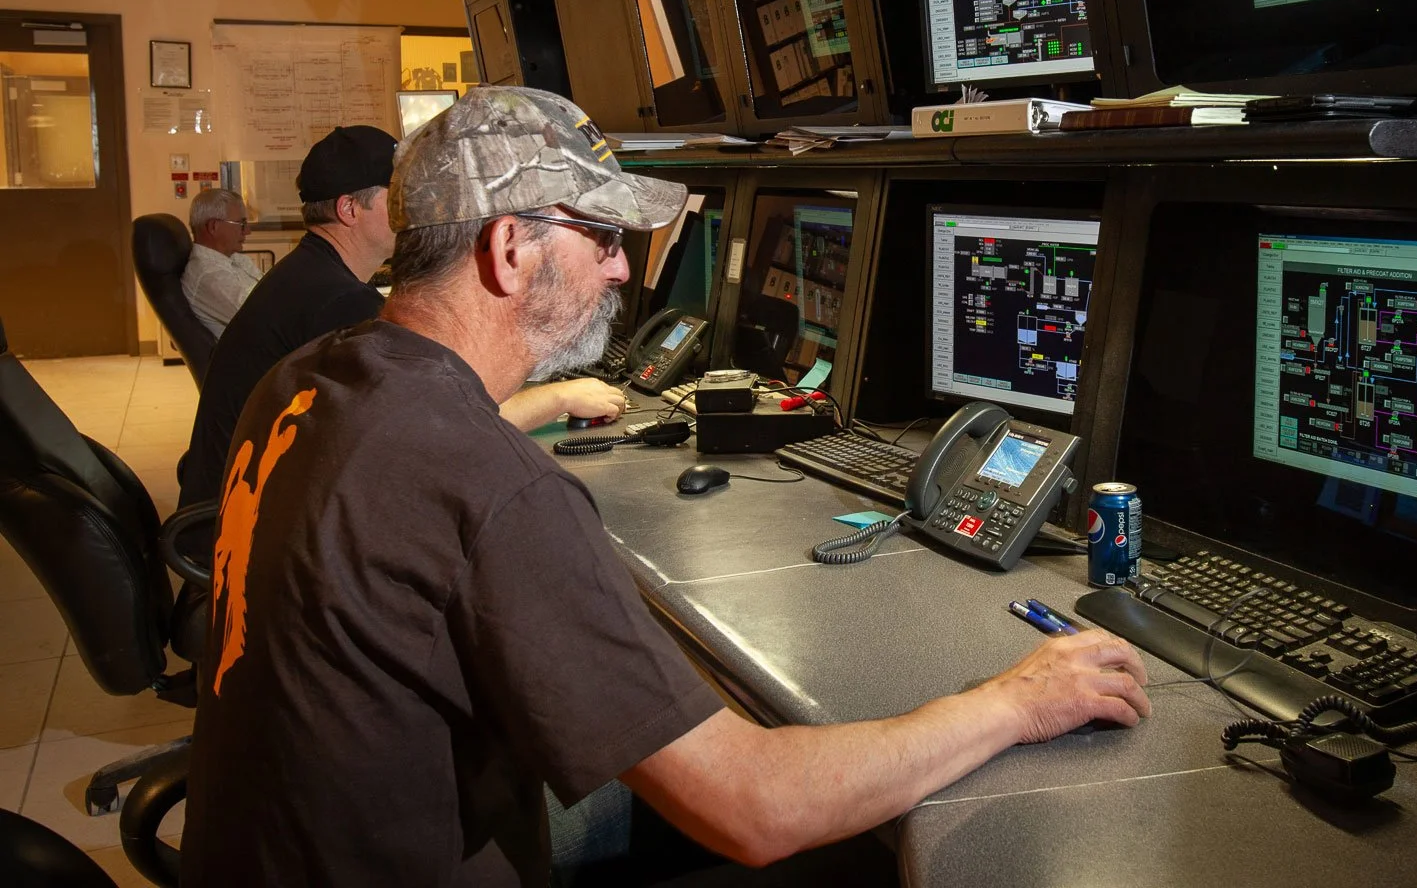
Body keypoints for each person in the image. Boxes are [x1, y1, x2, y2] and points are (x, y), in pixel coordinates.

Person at [182, 86, 1151, 884]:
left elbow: (413, 466)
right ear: (510, 248)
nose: (620, 269)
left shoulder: (309, 377)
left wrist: (540, 412)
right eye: (602, 235)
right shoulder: (494, 494)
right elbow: (755, 807)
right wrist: (1015, 702)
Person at [178, 124, 623, 515]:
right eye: (399, 199)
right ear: (349, 210)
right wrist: (562, 396)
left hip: (247, 502)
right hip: (243, 528)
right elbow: (443, 424)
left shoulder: (309, 273)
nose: (415, 212)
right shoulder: (336, 301)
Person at [180, 188, 260, 337]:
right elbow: (265, 316)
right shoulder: (209, 276)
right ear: (213, 226)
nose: (247, 231)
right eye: (241, 223)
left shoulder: (236, 259)